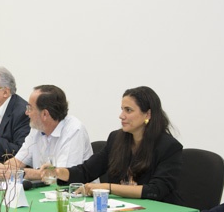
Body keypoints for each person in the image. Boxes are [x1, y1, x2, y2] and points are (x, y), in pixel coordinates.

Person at [52, 86, 183, 204]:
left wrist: (107, 188)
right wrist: (56, 172)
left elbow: (156, 190)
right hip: (122, 208)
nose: (121, 116)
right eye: (122, 110)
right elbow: (87, 171)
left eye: (128, 110)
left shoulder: (168, 146)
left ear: (147, 114)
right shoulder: (116, 138)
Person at [0, 84, 92, 181]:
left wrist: (21, 173)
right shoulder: (36, 129)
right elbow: (19, 161)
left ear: (44, 114)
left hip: (77, 195)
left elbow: (60, 175)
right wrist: (1, 168)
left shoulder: (74, 130)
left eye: (30, 108)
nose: (26, 112)